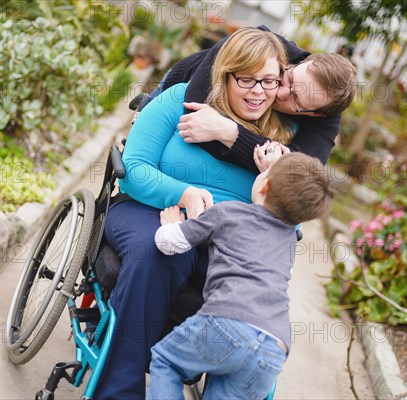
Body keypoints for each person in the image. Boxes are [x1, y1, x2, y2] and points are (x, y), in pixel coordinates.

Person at [94, 27, 288, 399]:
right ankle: (118, 391)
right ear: (225, 73)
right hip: (153, 208)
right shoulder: (179, 99)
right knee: (160, 253)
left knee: (256, 296)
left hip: (227, 237)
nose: (259, 91)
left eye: (269, 80)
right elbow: (133, 168)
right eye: (247, 78)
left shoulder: (280, 137)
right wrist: (183, 192)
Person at [147, 152, 334, 399]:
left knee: (166, 361)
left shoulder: (228, 213)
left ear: (264, 183)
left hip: (225, 321)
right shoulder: (289, 240)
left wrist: (171, 225)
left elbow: (167, 243)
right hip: (274, 348)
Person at [146, 25, 358, 171]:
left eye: (296, 100)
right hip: (184, 77)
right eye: (289, 78)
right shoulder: (263, 41)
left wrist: (230, 133)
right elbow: (197, 119)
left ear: (315, 113)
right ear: (302, 61)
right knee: (148, 123)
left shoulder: (326, 114)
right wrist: (261, 156)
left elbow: (299, 174)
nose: (281, 92)